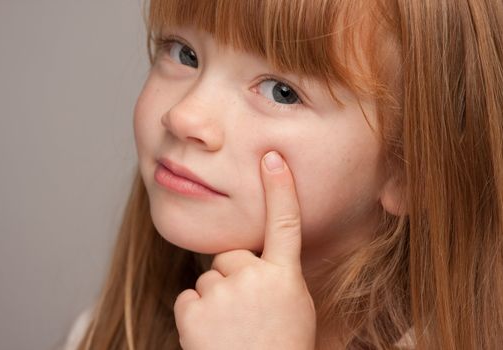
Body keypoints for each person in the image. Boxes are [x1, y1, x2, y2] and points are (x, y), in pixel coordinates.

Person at [64, 0, 503, 349]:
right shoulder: (104, 332)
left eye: (282, 91)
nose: (185, 115)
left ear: (409, 171)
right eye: (185, 53)